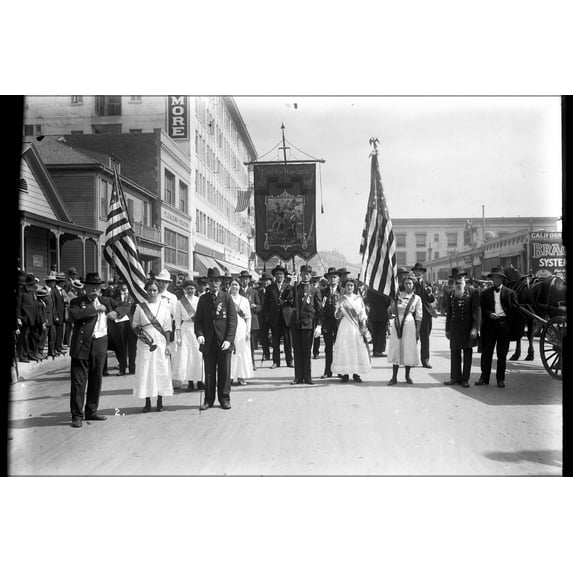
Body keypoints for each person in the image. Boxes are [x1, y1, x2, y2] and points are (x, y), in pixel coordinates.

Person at [68, 272, 118, 428]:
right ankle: (77, 415)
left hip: (100, 343)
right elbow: (73, 315)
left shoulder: (107, 301)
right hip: (82, 344)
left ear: (101, 288)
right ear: (85, 287)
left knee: (96, 378)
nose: (93, 290)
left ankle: (91, 411)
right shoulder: (77, 301)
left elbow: (127, 305)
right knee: (79, 381)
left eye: (96, 287)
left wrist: (116, 312)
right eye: (90, 287)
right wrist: (95, 310)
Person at [194, 267, 238, 410]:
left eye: (216, 281)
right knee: (209, 373)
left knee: (225, 372)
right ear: (208, 282)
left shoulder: (226, 297)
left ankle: (224, 398)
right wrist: (199, 334)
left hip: (223, 342)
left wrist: (228, 340)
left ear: (220, 282)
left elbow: (232, 321)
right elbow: (198, 320)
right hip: (208, 342)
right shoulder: (203, 299)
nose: (214, 284)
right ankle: (209, 400)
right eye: (211, 281)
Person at [132, 279, 173, 412]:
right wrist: (143, 337)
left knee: (160, 369)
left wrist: (167, 344)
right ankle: (147, 401)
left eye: (155, 290)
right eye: (149, 290)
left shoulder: (164, 307)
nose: (152, 292)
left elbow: (167, 328)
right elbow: (135, 325)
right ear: (146, 291)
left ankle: (160, 401)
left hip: (160, 340)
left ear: (158, 291)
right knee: (146, 370)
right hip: (146, 342)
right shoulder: (140, 307)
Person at [475, 266, 519, 388]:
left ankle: (500, 379)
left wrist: (508, 323)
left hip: (504, 326)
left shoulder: (510, 293)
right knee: (486, 353)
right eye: (495, 277)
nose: (497, 280)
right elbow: (481, 309)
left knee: (502, 354)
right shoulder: (485, 293)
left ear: (502, 279)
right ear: (492, 279)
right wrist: (489, 314)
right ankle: (484, 377)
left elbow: (515, 311)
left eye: (499, 278)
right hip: (489, 325)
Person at [284, 264, 322, 385]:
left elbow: (319, 308)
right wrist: (290, 284)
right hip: (296, 322)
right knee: (297, 350)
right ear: (300, 275)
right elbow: (285, 298)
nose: (305, 276)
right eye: (303, 274)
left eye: (308, 274)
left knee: (306, 350)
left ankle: (308, 376)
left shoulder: (314, 290)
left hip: (308, 322)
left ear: (311, 276)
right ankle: (298, 377)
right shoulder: (296, 287)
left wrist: (319, 325)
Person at [443, 268, 480, 388]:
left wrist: (475, 328)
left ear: (465, 278)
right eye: (456, 278)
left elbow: (476, 312)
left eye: (460, 278)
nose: (458, 280)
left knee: (467, 353)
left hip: (468, 328)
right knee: (454, 352)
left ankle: (465, 379)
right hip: (455, 327)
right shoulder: (451, 293)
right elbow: (449, 313)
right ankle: (455, 377)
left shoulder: (473, 292)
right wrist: (447, 329)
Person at [331, 277, 371, 382]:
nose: (350, 287)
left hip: (356, 326)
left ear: (354, 287)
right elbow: (337, 315)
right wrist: (339, 311)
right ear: (345, 287)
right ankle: (344, 373)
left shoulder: (358, 299)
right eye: (348, 285)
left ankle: (356, 373)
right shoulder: (341, 299)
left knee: (356, 348)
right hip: (345, 326)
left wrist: (363, 325)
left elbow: (363, 314)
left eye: (352, 285)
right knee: (345, 348)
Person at [386, 274, 423, 385]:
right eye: (406, 283)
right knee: (396, 348)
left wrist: (417, 330)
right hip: (397, 322)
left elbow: (419, 315)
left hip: (410, 323)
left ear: (413, 285)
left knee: (408, 348)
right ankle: (394, 377)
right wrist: (393, 302)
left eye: (410, 283)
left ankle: (407, 376)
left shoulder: (416, 298)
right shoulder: (398, 296)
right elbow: (391, 311)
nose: (407, 285)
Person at [173, 279, 203, 392]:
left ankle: (200, 381)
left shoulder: (200, 300)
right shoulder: (180, 302)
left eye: (192, 288)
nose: (190, 290)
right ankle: (190, 382)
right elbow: (177, 321)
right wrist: (178, 336)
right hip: (186, 329)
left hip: (198, 329)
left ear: (195, 289)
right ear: (184, 290)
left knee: (198, 356)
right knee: (188, 357)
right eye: (188, 288)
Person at [264, 264, 293, 369]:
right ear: (274, 276)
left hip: (286, 318)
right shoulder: (269, 288)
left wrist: (287, 302)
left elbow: (293, 302)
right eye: (277, 274)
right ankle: (276, 362)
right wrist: (267, 315)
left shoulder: (290, 287)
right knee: (275, 341)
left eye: (281, 274)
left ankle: (289, 361)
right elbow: (266, 303)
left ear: (284, 276)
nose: (279, 276)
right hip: (275, 318)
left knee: (288, 341)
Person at [107, 282, 137, 376]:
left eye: (125, 285)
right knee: (121, 347)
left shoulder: (134, 294)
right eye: (121, 286)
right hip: (120, 324)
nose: (123, 288)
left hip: (132, 324)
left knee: (132, 347)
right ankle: (122, 368)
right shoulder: (114, 295)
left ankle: (132, 367)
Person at [411, 263, 437, 368]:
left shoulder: (427, 284)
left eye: (420, 271)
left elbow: (431, 300)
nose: (418, 273)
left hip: (425, 314)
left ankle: (425, 360)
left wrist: (430, 294)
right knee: (412, 337)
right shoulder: (410, 282)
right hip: (413, 313)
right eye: (417, 271)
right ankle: (411, 360)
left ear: (423, 273)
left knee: (425, 338)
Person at [319, 267, 343, 379]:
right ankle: (327, 371)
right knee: (328, 347)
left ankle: (340, 371)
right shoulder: (323, 292)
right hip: (327, 323)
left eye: (334, 277)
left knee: (339, 347)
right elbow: (320, 309)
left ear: (338, 279)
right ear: (327, 279)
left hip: (340, 323)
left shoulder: (343, 291)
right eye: (330, 277)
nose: (332, 279)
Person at [229, 278, 253, 385]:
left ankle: (241, 376)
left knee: (242, 351)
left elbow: (248, 317)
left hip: (242, 327)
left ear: (239, 286)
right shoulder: (226, 298)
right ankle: (229, 376)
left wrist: (248, 331)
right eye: (232, 285)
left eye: (236, 285)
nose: (234, 287)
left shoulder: (244, 300)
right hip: (229, 327)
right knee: (230, 352)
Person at [238, 270, 262, 371]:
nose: (245, 281)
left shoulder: (254, 292)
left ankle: (252, 363)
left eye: (247, 279)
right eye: (243, 279)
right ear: (240, 280)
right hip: (239, 321)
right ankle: (241, 366)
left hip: (251, 321)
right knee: (240, 344)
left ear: (249, 280)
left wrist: (255, 306)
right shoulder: (237, 291)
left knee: (251, 344)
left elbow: (261, 306)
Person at [365, 286, 391, 357]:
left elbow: (368, 300)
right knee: (381, 333)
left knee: (375, 333)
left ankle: (375, 350)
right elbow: (388, 301)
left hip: (373, 313)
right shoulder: (384, 290)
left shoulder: (370, 290)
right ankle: (379, 350)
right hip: (382, 313)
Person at [257, 271, 273, 362]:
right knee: (264, 336)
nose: (266, 282)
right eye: (264, 281)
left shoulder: (273, 290)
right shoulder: (258, 292)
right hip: (262, 317)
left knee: (275, 336)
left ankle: (276, 353)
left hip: (272, 316)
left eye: (267, 281)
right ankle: (266, 354)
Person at [311, 271, 323, 358]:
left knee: (317, 334)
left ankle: (316, 352)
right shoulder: (308, 288)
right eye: (313, 279)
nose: (315, 280)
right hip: (310, 314)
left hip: (319, 314)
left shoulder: (322, 289)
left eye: (316, 279)